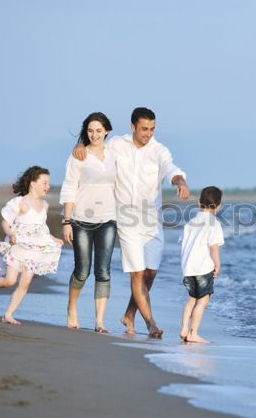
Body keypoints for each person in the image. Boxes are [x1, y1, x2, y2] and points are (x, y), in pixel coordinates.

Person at [73, 107, 189, 337]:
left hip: (152, 221)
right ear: (133, 127)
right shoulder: (117, 144)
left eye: (152, 129)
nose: (148, 133)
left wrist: (180, 182)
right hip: (126, 219)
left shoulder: (159, 150)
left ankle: (129, 315)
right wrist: (79, 144)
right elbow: (95, 145)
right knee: (136, 274)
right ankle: (151, 325)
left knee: (150, 274)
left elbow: (171, 169)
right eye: (144, 129)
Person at [0, 166, 63, 325]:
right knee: (9, 281)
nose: (48, 186)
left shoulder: (44, 205)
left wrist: (53, 238)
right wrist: (11, 234)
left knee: (25, 283)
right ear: (33, 183)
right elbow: (5, 222)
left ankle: (8, 314)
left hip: (35, 248)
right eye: (45, 183)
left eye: (48, 183)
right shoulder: (19, 203)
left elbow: (41, 227)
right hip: (17, 245)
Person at [60, 112, 117, 333]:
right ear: (86, 132)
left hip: (108, 218)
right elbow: (69, 187)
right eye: (90, 131)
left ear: (107, 131)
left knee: (103, 271)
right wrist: (66, 221)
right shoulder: (78, 155)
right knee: (82, 270)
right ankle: (72, 308)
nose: (95, 135)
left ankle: (99, 321)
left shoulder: (114, 153)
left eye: (99, 131)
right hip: (80, 219)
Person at [179, 186, 224, 343]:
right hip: (203, 268)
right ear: (218, 206)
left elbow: (183, 243)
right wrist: (217, 265)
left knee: (191, 299)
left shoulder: (191, 222)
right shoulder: (214, 224)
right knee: (203, 301)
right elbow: (213, 248)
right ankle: (193, 333)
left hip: (188, 268)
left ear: (199, 203)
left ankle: (184, 328)